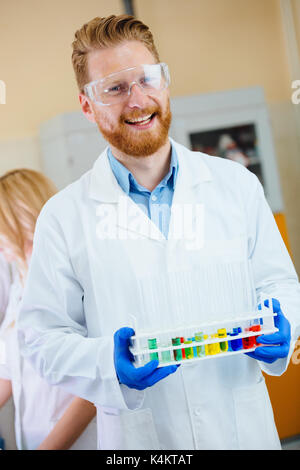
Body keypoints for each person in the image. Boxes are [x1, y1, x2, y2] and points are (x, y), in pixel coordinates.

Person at [18, 15, 300, 450]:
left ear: (165, 83)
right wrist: (107, 365)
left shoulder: (235, 185)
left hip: (243, 433)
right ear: (87, 105)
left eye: (147, 79)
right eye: (115, 87)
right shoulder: (63, 217)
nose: (137, 100)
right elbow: (41, 338)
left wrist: (281, 319)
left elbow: (279, 280)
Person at [0, 169, 97, 450]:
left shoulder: (75, 276)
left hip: (79, 441)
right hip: (34, 438)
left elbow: (95, 387)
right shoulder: (20, 279)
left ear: (22, 222)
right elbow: (8, 369)